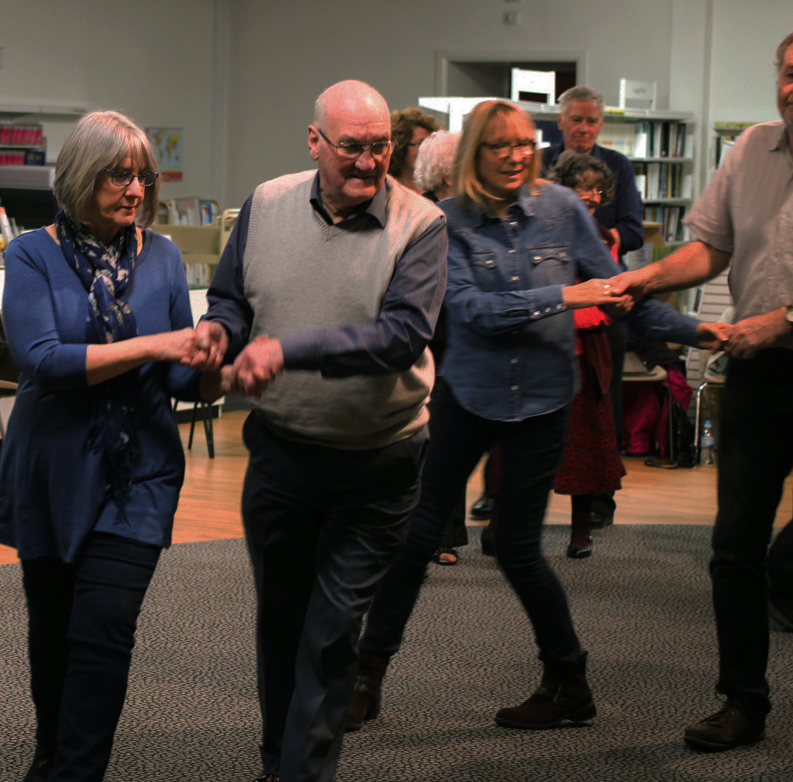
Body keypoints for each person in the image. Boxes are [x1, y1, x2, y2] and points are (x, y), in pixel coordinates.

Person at [346, 99, 725, 738]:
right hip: (467, 395)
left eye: (526, 143)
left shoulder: (561, 208)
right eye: (502, 146)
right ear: (476, 155)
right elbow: (471, 310)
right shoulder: (449, 221)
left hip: (543, 401)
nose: (519, 155)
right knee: (414, 541)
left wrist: (699, 329)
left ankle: (569, 681)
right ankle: (365, 678)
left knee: (519, 550)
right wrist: (565, 294)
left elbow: (620, 294)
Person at [196, 80, 448, 782]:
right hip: (281, 457)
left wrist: (288, 350)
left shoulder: (421, 224)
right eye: (351, 148)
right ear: (314, 143)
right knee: (282, 626)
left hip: (377, 466)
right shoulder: (267, 204)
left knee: (331, 635)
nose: (368, 164)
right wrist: (220, 332)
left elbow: (400, 338)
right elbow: (231, 298)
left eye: (380, 148)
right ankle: (280, 763)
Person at [0, 110, 220, 782]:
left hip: (137, 470)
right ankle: (53, 748)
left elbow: (178, 376)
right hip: (52, 470)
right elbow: (41, 361)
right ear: (82, 178)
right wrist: (156, 345)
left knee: (104, 627)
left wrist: (213, 362)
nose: (135, 189)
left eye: (142, 175)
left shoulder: (165, 255)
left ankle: (76, 770)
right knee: (55, 630)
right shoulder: (32, 252)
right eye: (119, 174)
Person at [609, 30, 793, 752]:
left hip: (769, 342)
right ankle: (743, 700)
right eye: (788, 73)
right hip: (758, 376)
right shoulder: (750, 150)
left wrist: (779, 322)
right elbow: (711, 247)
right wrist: (645, 276)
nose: (792, 89)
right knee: (734, 547)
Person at [544, 84, 649, 529]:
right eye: (577, 120)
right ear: (561, 121)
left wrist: (600, 242)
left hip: (606, 295)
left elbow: (634, 228)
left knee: (603, 397)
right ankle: (512, 495)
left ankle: (601, 498)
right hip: (552, 297)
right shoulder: (540, 163)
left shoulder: (618, 165)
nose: (585, 128)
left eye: (593, 121)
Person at [547, 151, 626, 558]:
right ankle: (501, 527)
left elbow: (609, 299)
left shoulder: (607, 238)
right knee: (524, 446)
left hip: (586, 352)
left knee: (586, 447)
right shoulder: (544, 230)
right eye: (583, 187)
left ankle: (581, 533)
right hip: (545, 351)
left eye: (598, 189)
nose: (592, 196)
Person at [412, 129, 468, 566]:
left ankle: (446, 534)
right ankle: (429, 532)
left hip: (461, 333)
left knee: (450, 434)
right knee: (429, 435)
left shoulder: (472, 212)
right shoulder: (425, 212)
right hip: (431, 332)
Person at [390, 107, 441, 193]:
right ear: (401, 148)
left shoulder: (439, 191)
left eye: (432, 143)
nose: (429, 149)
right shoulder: (385, 190)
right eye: (421, 144)